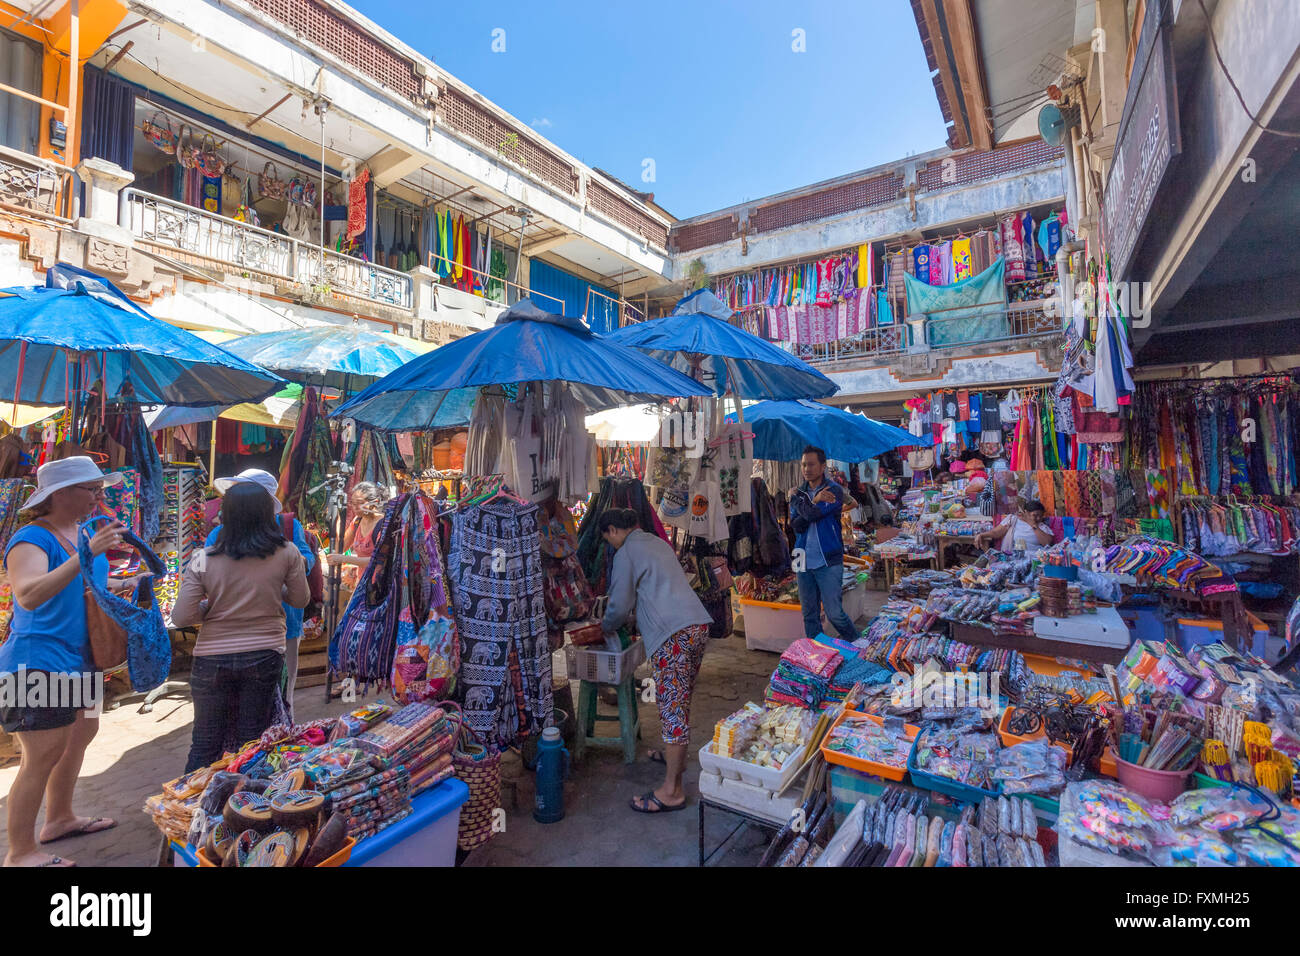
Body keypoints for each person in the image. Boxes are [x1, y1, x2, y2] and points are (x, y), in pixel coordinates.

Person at [2, 456, 128, 867]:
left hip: (81, 659)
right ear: (59, 494)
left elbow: (83, 582)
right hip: (37, 661)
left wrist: (122, 583)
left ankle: (59, 818)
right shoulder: (31, 538)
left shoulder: (83, 533)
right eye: (89, 489)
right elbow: (29, 594)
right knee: (41, 755)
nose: (97, 497)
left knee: (81, 734)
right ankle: (19, 852)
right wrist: (87, 555)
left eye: (98, 489)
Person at [174, 481, 310, 772]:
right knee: (252, 743)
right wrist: (272, 591)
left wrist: (212, 607)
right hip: (264, 654)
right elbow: (301, 599)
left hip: (211, 657)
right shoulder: (287, 553)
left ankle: (189, 810)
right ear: (266, 515)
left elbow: (182, 617)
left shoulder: (202, 558)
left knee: (205, 742)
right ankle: (243, 808)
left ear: (226, 516)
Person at [599, 508, 712, 814]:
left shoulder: (625, 554)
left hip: (673, 635)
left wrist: (605, 626)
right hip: (697, 625)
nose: (610, 544)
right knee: (681, 700)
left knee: (672, 710)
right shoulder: (657, 543)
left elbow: (619, 606)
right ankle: (673, 756)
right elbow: (658, 589)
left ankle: (672, 791)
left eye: (607, 538)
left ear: (611, 531)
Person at [204, 469, 317, 718]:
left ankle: (284, 732)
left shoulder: (287, 527)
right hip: (234, 627)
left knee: (284, 688)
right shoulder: (217, 535)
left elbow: (307, 558)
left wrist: (286, 564)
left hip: (284, 620)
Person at [789, 445, 858, 644]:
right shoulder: (799, 492)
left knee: (834, 613)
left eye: (811, 464)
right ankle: (817, 653)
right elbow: (796, 525)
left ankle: (858, 643)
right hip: (801, 558)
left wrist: (809, 503)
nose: (806, 469)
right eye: (803, 465)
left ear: (822, 466)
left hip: (828, 558)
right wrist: (813, 501)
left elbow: (812, 514)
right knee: (809, 614)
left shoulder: (833, 490)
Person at [325, 481, 388, 592]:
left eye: (359, 503)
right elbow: (342, 547)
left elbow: (377, 559)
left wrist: (343, 559)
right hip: (362, 585)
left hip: (379, 587)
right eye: (353, 503)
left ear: (375, 502)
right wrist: (336, 520)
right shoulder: (357, 521)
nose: (355, 507)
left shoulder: (383, 524)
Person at [975, 498, 1053, 556]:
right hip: (1016, 557)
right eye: (1035, 515)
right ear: (1026, 512)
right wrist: (982, 535)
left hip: (1035, 559)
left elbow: (1047, 543)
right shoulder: (1013, 519)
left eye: (1040, 516)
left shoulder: (1042, 527)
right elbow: (996, 532)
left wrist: (1033, 525)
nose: (1038, 518)